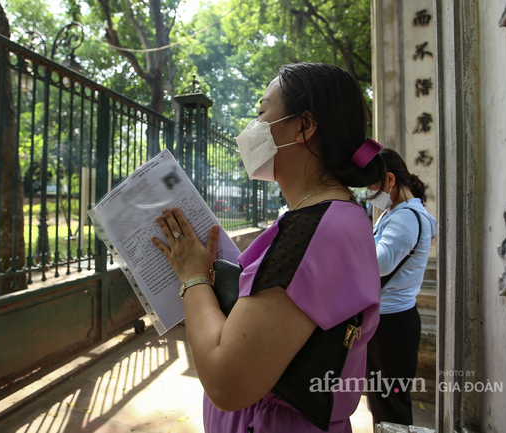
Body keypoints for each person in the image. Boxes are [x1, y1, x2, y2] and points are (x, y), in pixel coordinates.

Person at [151, 63, 387, 432]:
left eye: (261, 112)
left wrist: (192, 276)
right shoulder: (335, 216)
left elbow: (226, 382)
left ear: (303, 127)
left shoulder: (314, 231)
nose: (252, 128)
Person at [365, 149, 437, 426]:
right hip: (389, 320)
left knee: (391, 405)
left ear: (390, 180)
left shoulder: (406, 216)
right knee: (383, 402)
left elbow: (381, 262)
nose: (371, 194)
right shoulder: (396, 212)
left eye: (373, 186)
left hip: (393, 324)